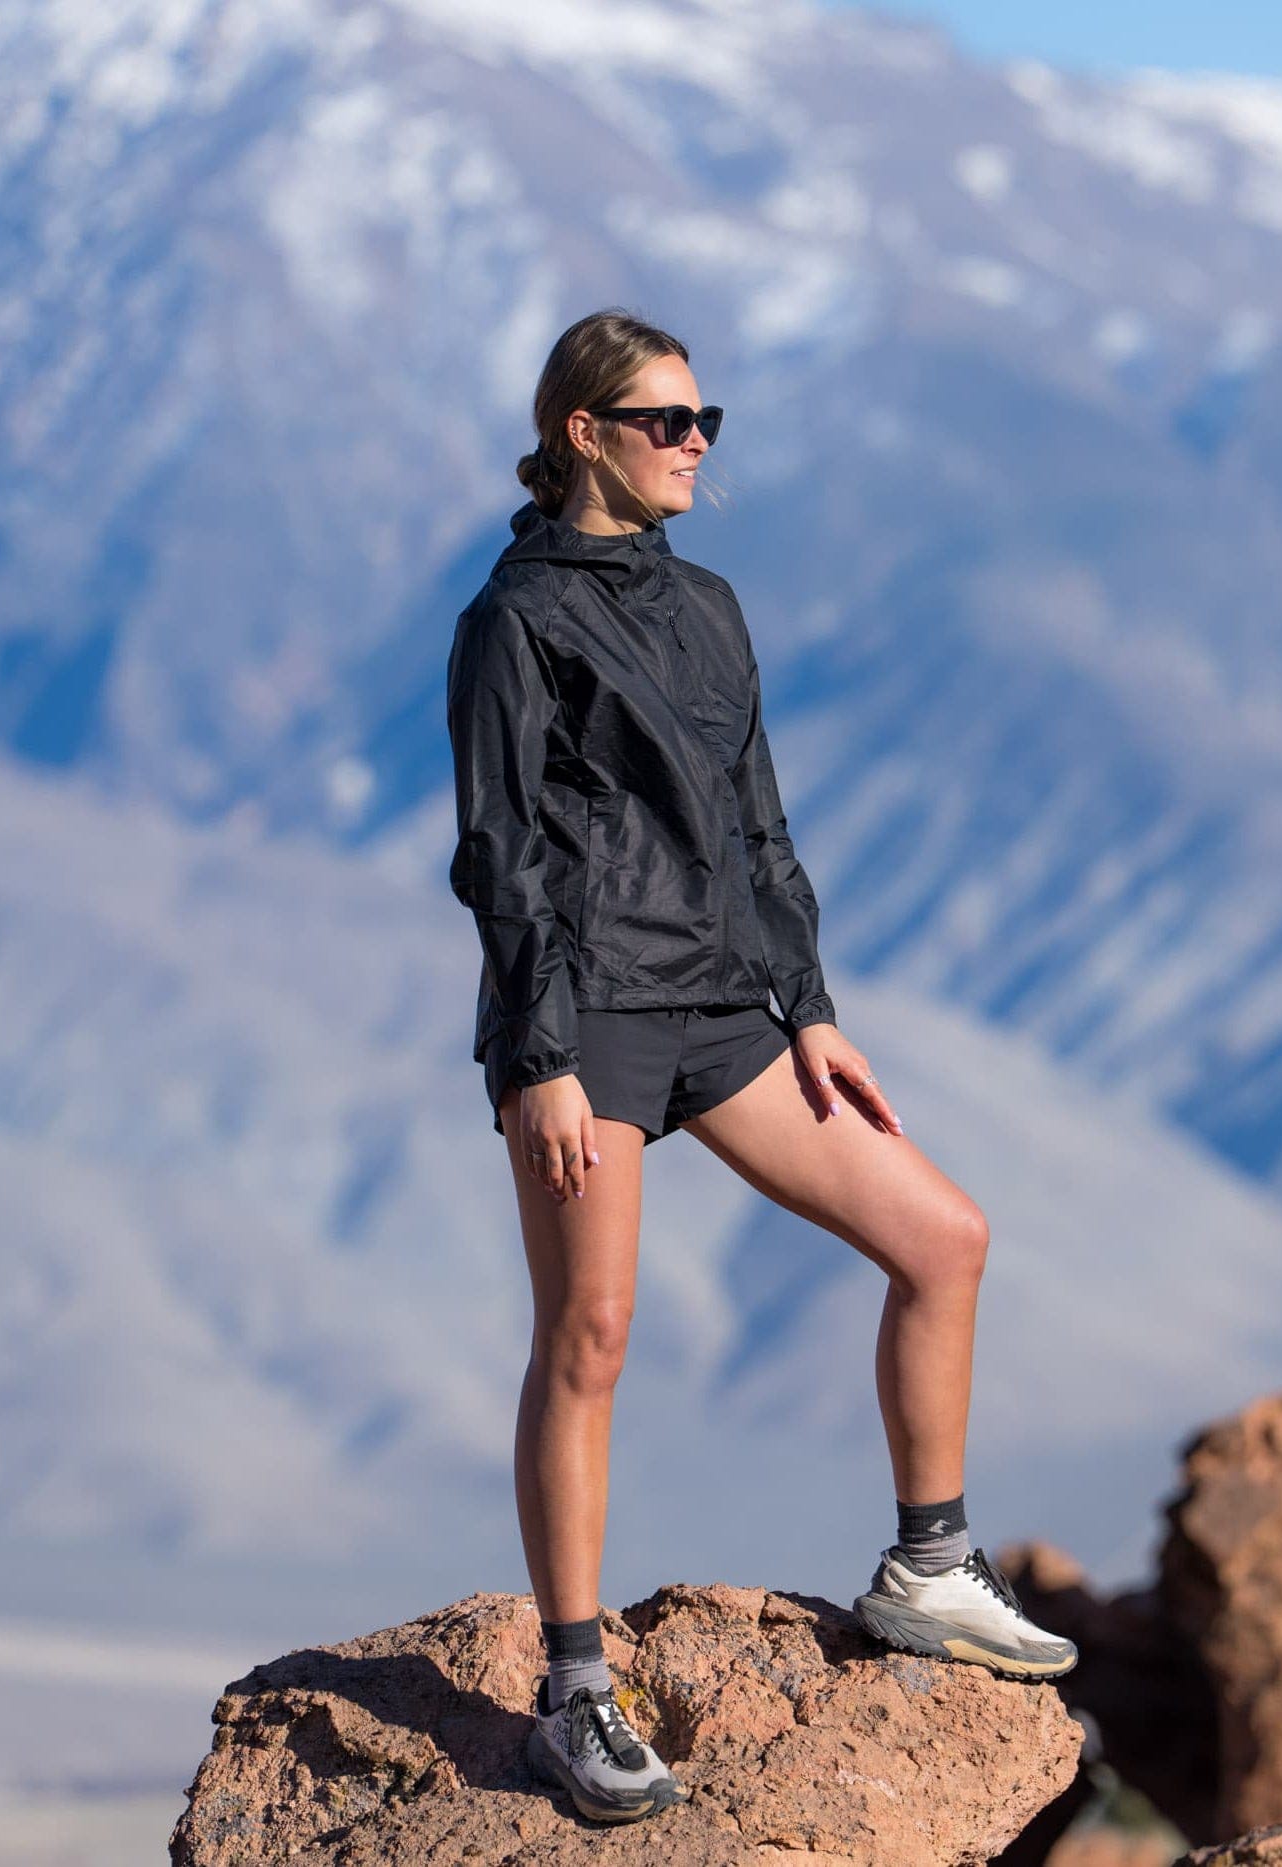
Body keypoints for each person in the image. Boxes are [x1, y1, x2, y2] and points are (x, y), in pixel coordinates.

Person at [445, 308, 1078, 1825]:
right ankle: (578, 1690)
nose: (698, 443)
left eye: (704, 417)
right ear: (585, 434)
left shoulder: (711, 605)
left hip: (729, 1009)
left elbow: (758, 828)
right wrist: (537, 1058)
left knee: (944, 1238)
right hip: (587, 1014)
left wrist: (809, 1005)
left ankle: (929, 1566)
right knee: (590, 1331)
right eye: (667, 420)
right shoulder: (513, 622)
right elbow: (503, 857)